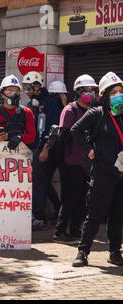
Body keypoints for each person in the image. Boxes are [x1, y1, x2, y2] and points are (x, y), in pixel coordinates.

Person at [71, 72, 123, 267]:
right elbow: (75, 130)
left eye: (120, 91)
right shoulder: (97, 114)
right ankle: (83, 252)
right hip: (102, 173)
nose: (118, 95)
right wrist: (89, 150)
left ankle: (115, 252)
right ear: (104, 95)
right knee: (94, 214)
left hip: (121, 174)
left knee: (117, 214)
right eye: (113, 92)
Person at [53, 75, 98, 244]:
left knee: (82, 198)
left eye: (93, 90)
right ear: (79, 92)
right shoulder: (70, 110)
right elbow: (64, 136)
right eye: (87, 90)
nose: (91, 94)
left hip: (86, 161)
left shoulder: (91, 110)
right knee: (70, 197)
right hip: (70, 161)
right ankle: (60, 232)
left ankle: (75, 230)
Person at [22, 71, 62, 230]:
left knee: (38, 182)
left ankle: (39, 218)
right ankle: (58, 210)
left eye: (28, 87)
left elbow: (54, 128)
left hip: (47, 148)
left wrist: (45, 149)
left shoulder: (50, 102)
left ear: (37, 86)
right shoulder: (31, 104)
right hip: (34, 148)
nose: (26, 90)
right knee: (43, 181)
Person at [0, 75, 36, 148]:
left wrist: (20, 137)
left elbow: (32, 135)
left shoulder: (27, 112)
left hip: (20, 155)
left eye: (16, 91)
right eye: (10, 90)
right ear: (2, 94)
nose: (14, 94)